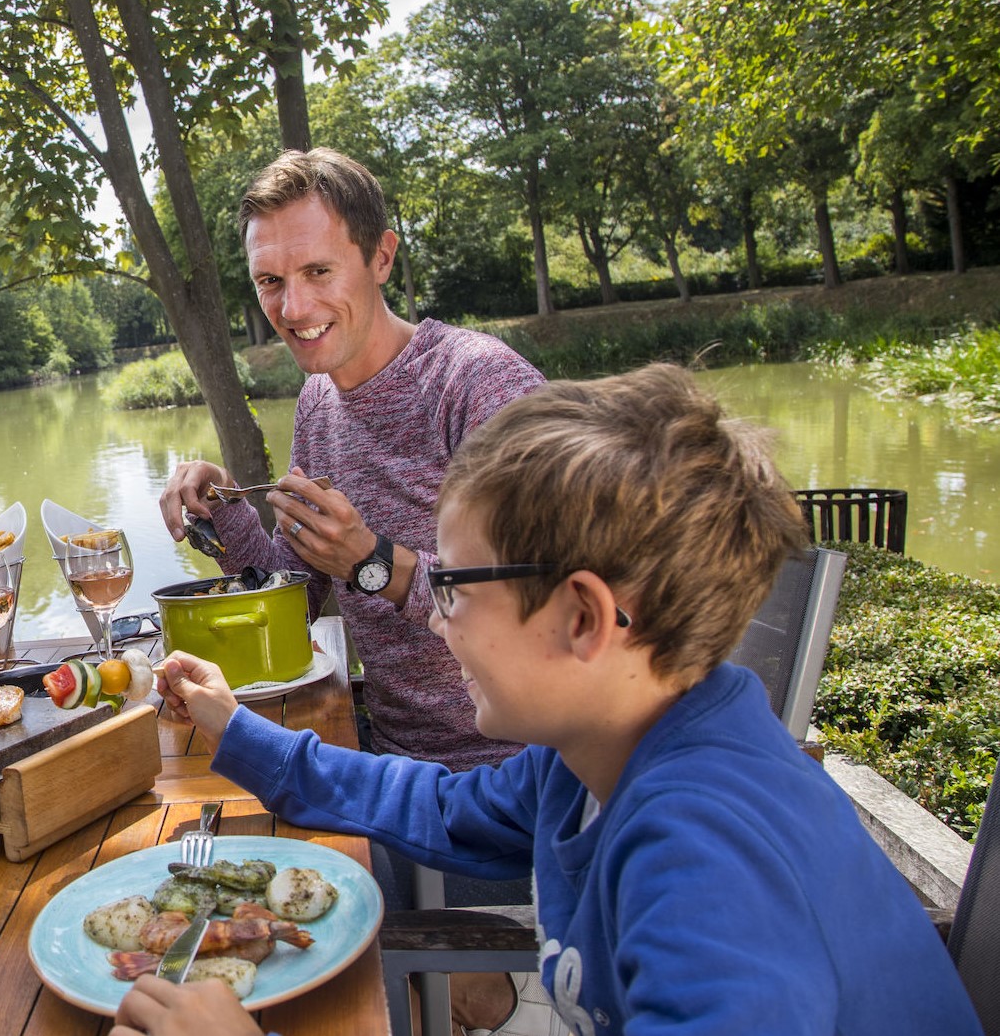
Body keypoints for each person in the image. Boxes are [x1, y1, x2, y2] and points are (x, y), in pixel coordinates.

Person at [142, 365, 983, 1035]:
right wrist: (233, 725)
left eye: (454, 586)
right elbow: (434, 803)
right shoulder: (601, 753)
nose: (433, 616)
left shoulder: (706, 867)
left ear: (583, 616)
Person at [158, 147, 544, 773]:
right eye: (271, 281)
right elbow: (294, 599)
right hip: (388, 758)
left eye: (318, 271)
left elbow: (543, 604)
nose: (293, 309)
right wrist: (226, 506)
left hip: (513, 776)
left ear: (382, 256)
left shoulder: (480, 384)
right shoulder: (318, 399)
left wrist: (371, 563)